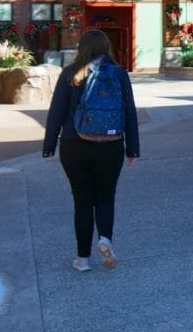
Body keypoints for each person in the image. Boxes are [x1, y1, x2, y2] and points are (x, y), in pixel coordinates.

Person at [42, 29, 139, 272]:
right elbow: (129, 112)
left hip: (74, 145)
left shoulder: (70, 73)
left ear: (81, 48)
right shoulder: (118, 74)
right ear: (107, 48)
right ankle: (105, 239)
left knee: (82, 201)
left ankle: (82, 259)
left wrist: (49, 145)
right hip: (111, 145)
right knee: (106, 196)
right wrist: (132, 148)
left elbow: (56, 113)